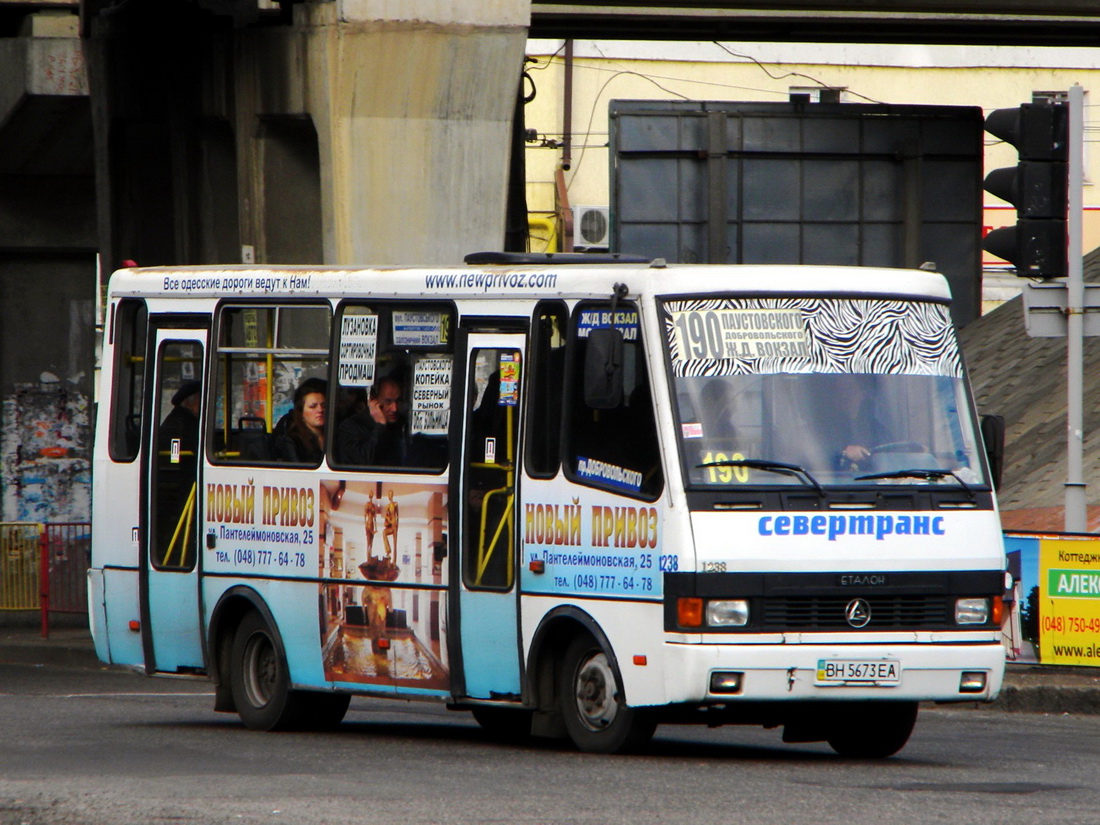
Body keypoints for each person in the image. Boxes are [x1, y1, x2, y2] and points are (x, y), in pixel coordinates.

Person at [335, 375, 406, 466]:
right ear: (373, 401)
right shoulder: (350, 426)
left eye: (398, 401)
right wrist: (380, 426)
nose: (394, 409)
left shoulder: (401, 425)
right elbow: (361, 462)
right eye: (388, 402)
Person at [275, 377, 327, 463]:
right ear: (301, 412)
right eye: (312, 406)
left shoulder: (334, 438)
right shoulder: (293, 441)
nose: (320, 410)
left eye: (324, 406)